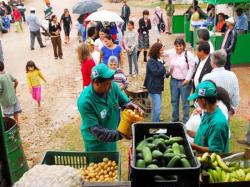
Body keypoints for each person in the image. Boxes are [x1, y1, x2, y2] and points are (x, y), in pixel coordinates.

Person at [77, 63, 143, 151]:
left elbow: (124, 101)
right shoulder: (85, 101)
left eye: (111, 82)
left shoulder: (112, 86)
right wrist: (120, 134)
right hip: (95, 143)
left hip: (112, 136)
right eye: (107, 84)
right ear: (96, 83)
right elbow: (96, 130)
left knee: (113, 161)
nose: (111, 86)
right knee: (98, 164)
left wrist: (131, 106)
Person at [187, 80, 229, 153]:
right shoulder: (208, 113)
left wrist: (193, 146)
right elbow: (204, 135)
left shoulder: (218, 123)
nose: (196, 101)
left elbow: (215, 150)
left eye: (197, 99)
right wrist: (186, 132)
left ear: (203, 101)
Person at [164, 38, 195, 123]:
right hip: (174, 80)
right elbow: (162, 52)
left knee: (185, 102)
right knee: (174, 101)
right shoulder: (173, 52)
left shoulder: (188, 55)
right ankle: (175, 119)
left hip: (184, 82)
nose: (178, 48)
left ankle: (186, 120)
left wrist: (187, 79)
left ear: (183, 46)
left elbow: (192, 67)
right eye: (177, 46)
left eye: (180, 46)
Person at [144, 43, 166, 122]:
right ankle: (156, 124)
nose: (163, 51)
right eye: (161, 50)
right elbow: (156, 72)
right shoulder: (151, 61)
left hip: (158, 87)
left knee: (156, 107)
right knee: (157, 108)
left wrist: (167, 72)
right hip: (153, 87)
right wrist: (164, 67)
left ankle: (154, 122)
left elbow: (162, 73)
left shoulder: (159, 60)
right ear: (157, 51)